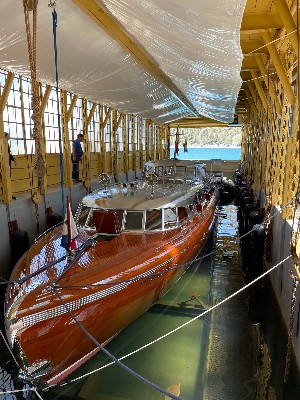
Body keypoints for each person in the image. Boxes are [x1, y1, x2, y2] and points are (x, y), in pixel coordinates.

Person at [5, 132, 17, 199]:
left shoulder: (7, 144)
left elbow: (8, 154)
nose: (9, 137)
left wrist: (13, 158)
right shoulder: (2, 145)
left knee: (8, 180)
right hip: (4, 166)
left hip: (8, 165)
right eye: (8, 136)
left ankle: (9, 194)